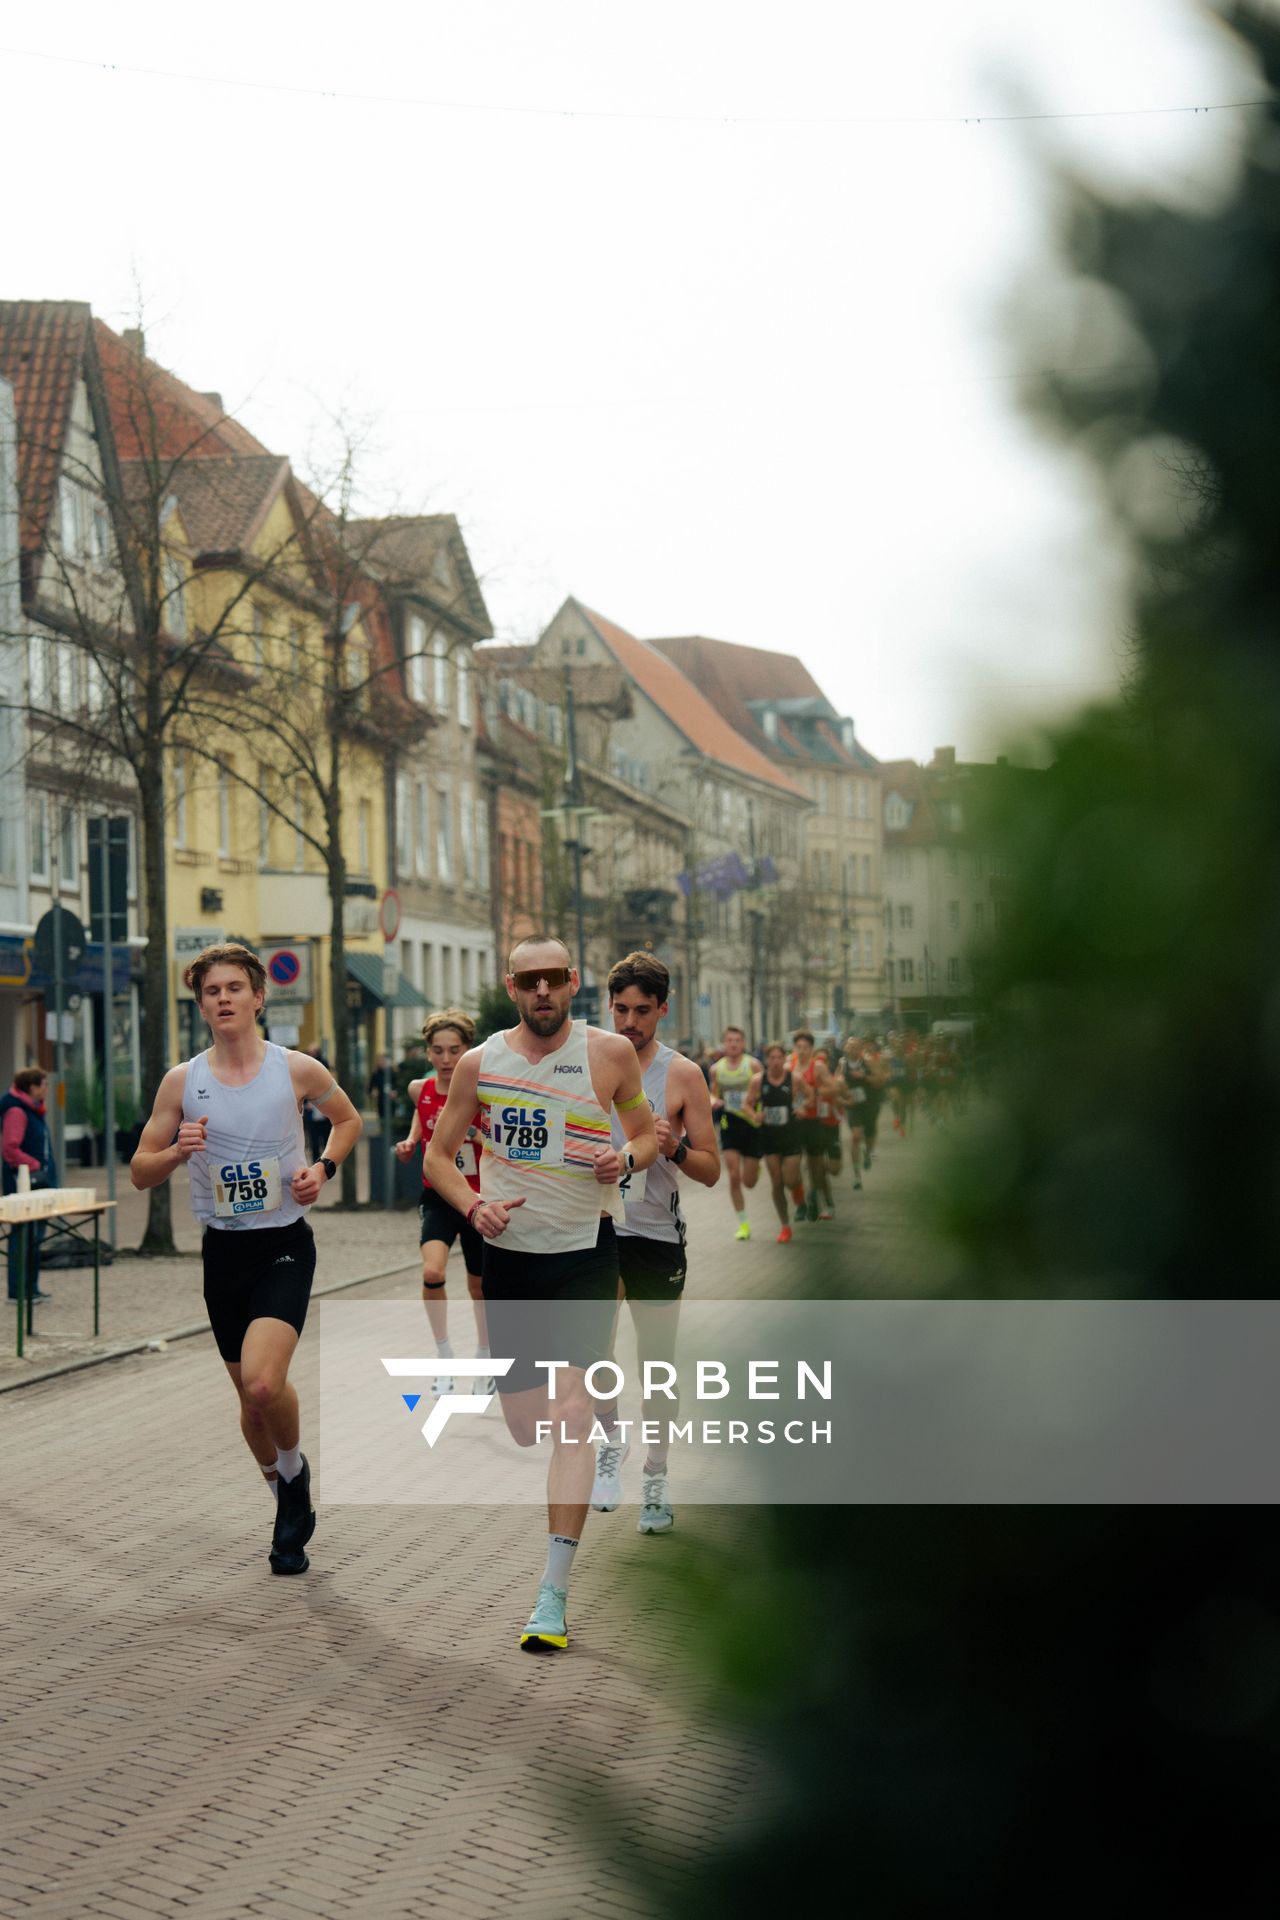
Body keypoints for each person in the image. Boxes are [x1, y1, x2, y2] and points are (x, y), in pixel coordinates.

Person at [423, 935, 658, 1654]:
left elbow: (647, 1135)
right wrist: (471, 1205)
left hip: (586, 1254)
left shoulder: (608, 1056)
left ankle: (552, 1594)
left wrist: (624, 1157)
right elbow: (439, 1155)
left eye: (554, 978)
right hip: (510, 1261)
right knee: (528, 1424)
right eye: (529, 981)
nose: (543, 991)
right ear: (512, 987)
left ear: (573, 981)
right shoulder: (478, 1062)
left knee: (571, 1412)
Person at [131, 943, 362, 1575]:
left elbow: (347, 1120)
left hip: (284, 1242)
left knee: (264, 1381)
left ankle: (293, 1476)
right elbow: (139, 1172)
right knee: (248, 1399)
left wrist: (323, 1168)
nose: (224, 999)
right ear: (201, 1003)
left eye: (235, 987)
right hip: (223, 1250)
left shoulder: (295, 1069)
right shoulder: (184, 1081)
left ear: (259, 997)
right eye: (212, 991)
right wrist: (178, 1152)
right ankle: (286, 1497)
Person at [589, 949, 720, 1531]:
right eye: (620, 1009)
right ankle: (610, 1445)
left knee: (656, 1365)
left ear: (662, 1010)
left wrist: (673, 1150)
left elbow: (712, 1168)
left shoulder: (684, 1074)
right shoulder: (588, 1062)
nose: (629, 1023)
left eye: (642, 1010)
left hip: (657, 1235)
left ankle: (658, 1481)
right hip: (596, 1229)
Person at [394, 1009, 491, 1395]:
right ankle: (444, 1355)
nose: (447, 1059)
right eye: (438, 1051)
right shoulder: (420, 1088)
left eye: (455, 1050)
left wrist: (477, 1136)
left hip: (476, 1199)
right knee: (432, 1272)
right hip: (436, 1195)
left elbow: (497, 1139)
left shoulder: (481, 1088)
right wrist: (410, 1141)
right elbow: (424, 1118)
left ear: (468, 1050)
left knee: (480, 1287)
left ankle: (486, 1358)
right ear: (428, 1052)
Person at [2, 1068, 56, 1302]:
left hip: (38, 1182)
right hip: (24, 1184)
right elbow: (10, 1149)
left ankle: (31, 1287)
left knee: (35, 1237)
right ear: (31, 1087)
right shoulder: (17, 1110)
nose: (47, 1089)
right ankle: (18, 1290)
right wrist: (35, 1164)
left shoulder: (34, 1110)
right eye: (44, 1084)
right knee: (23, 1236)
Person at [745, 1044, 803, 1242]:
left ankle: (798, 1185)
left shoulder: (793, 1078)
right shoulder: (758, 1080)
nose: (776, 1061)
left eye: (780, 1057)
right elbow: (747, 1104)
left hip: (791, 1136)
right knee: (777, 1182)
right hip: (769, 1137)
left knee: (790, 1180)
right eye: (772, 1058)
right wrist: (755, 1115)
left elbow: (809, 1095)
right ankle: (785, 1226)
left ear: (784, 1059)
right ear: (767, 1060)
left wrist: (802, 1107)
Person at [710, 1025, 762, 1239]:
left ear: (744, 1043)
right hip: (728, 1123)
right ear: (724, 1043)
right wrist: (715, 1101)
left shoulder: (753, 1065)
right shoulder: (717, 1069)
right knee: (733, 1176)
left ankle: (755, 1168)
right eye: (729, 1040)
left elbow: (765, 1091)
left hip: (752, 1124)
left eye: (737, 1040)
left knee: (748, 1182)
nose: (733, 1044)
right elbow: (712, 1094)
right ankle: (743, 1225)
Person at [789, 1028, 840, 1220]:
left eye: (805, 1047)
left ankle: (822, 1199)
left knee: (816, 1166)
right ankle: (803, 1201)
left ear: (811, 1048)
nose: (801, 1051)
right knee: (793, 1167)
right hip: (795, 1122)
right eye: (798, 1047)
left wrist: (815, 1092)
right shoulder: (789, 1066)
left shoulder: (817, 1066)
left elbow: (833, 1088)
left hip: (813, 1122)